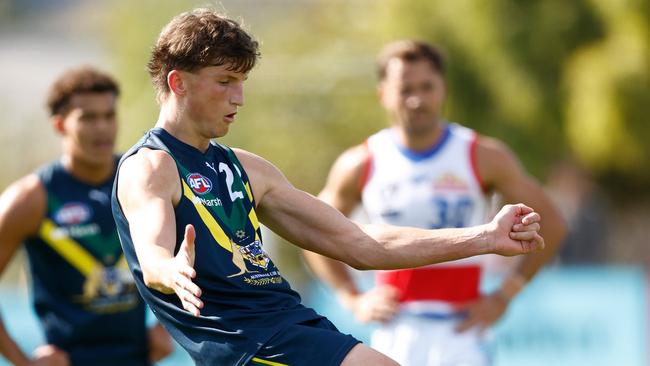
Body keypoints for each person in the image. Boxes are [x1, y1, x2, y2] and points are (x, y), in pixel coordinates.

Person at [111, 9, 545, 366]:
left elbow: (360, 243)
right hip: (249, 345)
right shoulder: (151, 167)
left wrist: (485, 236)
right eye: (225, 81)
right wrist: (171, 270)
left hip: (291, 326)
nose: (239, 98)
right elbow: (152, 255)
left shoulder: (247, 169)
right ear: (178, 82)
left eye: (242, 82)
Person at [302, 40, 567, 366]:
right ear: (383, 93)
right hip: (395, 328)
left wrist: (505, 295)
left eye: (427, 87)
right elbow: (312, 232)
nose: (417, 99)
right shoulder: (360, 162)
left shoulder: (482, 155)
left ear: (443, 89)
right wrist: (352, 298)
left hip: (463, 331)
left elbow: (552, 222)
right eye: (405, 89)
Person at [0, 66, 173, 366]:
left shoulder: (141, 179)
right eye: (88, 118)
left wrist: (166, 326)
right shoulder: (32, 197)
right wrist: (22, 362)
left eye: (109, 115)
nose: (102, 128)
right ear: (60, 125)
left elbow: (195, 252)